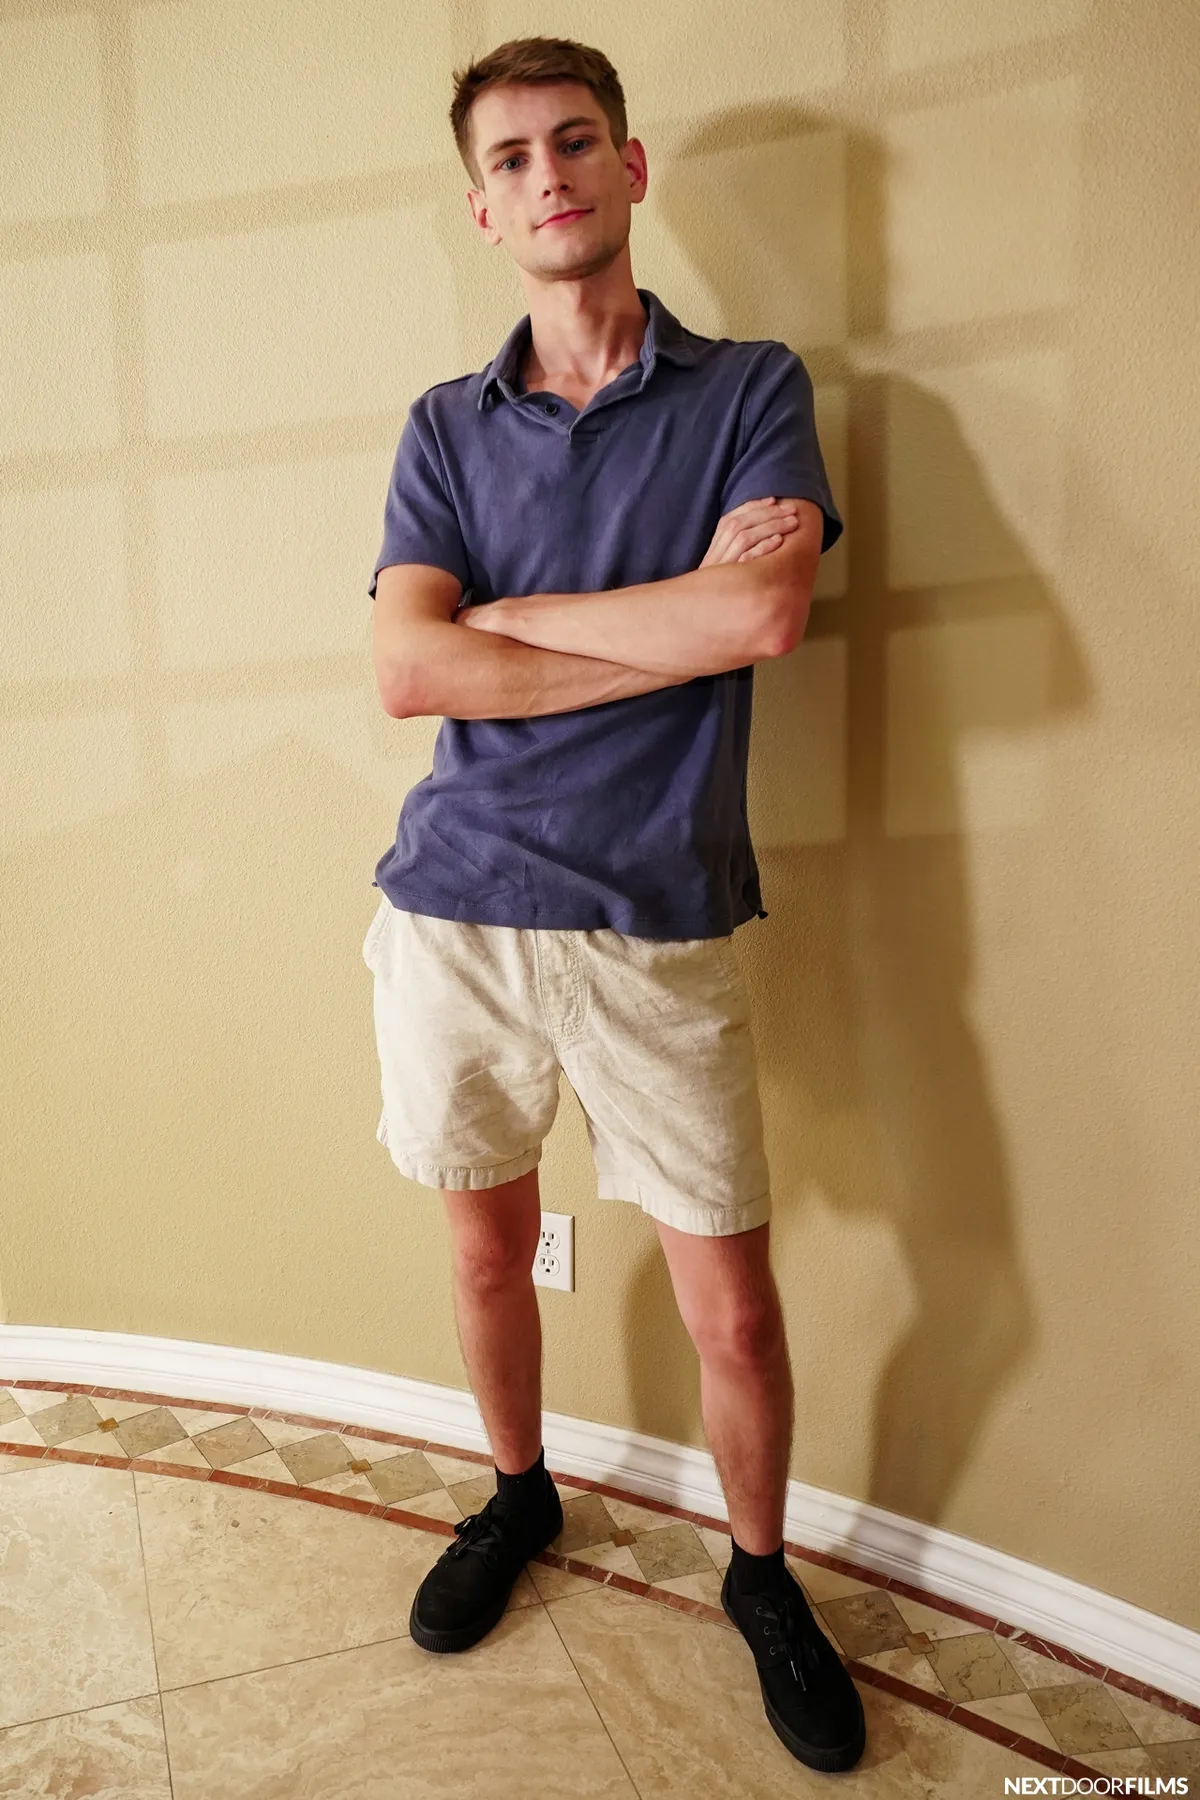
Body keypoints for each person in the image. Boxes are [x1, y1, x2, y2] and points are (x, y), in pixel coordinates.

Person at [362, 34, 864, 1776]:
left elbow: (764, 620)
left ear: (631, 170)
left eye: (575, 142)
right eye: (510, 159)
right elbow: (408, 673)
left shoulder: (751, 391)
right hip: (457, 913)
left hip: (658, 917)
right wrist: (662, 628)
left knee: (736, 1304)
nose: (548, 176)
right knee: (481, 1250)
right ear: (483, 211)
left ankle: (762, 1576)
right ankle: (518, 1494)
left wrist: (512, 631)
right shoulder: (445, 428)